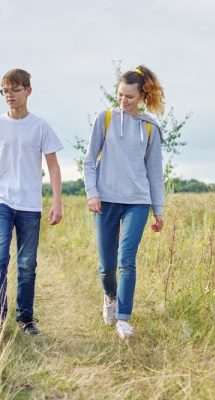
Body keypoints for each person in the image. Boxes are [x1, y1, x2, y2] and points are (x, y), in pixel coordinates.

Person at [0, 68, 63, 335]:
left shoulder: (41, 126)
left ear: (28, 91)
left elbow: (54, 167)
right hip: (1, 200)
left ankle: (25, 319)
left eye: (14, 89)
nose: (9, 95)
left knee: (26, 264)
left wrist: (57, 203)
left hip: (30, 204)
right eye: (5, 91)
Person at [83, 65, 165, 339]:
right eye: (120, 95)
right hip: (105, 201)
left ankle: (123, 319)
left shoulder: (151, 128)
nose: (123, 101)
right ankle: (110, 297)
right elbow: (89, 161)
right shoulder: (104, 119)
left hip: (137, 202)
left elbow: (154, 172)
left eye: (129, 96)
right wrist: (92, 193)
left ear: (142, 96)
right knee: (106, 266)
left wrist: (158, 210)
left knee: (126, 260)